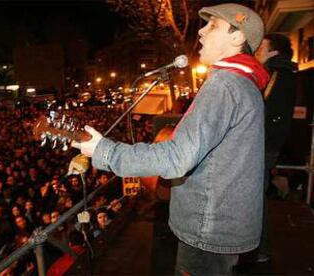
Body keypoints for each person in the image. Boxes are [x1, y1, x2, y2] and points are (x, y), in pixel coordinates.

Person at [72, 3, 269, 275]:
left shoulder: (225, 84)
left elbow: (177, 158)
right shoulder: (244, 84)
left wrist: (105, 152)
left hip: (208, 227)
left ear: (237, 36)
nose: (200, 32)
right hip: (224, 223)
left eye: (212, 26)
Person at [254, 33, 296, 262]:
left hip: (261, 148)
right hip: (264, 147)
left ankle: (261, 249)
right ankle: (259, 248)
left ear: (273, 51)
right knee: (254, 196)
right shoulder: (275, 74)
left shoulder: (277, 75)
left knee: (254, 198)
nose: (258, 50)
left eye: (262, 46)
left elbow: (270, 115)